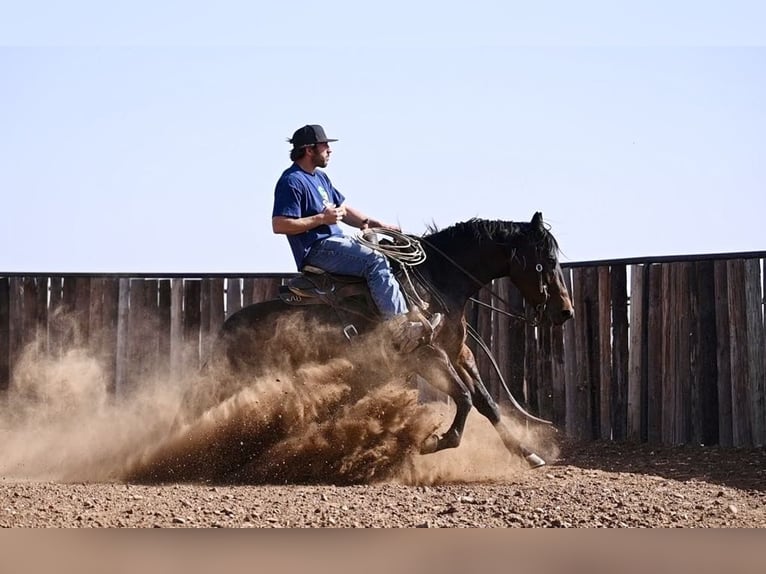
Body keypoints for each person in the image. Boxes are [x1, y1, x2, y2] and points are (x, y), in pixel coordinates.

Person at [271, 124, 442, 352]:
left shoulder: (320, 178)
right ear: (309, 150)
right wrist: (321, 219)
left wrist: (374, 224)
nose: (330, 150)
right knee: (375, 261)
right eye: (325, 146)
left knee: (389, 255)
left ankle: (411, 314)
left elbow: (343, 210)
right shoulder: (291, 181)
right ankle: (400, 330)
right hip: (317, 249)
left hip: (336, 243)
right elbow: (280, 224)